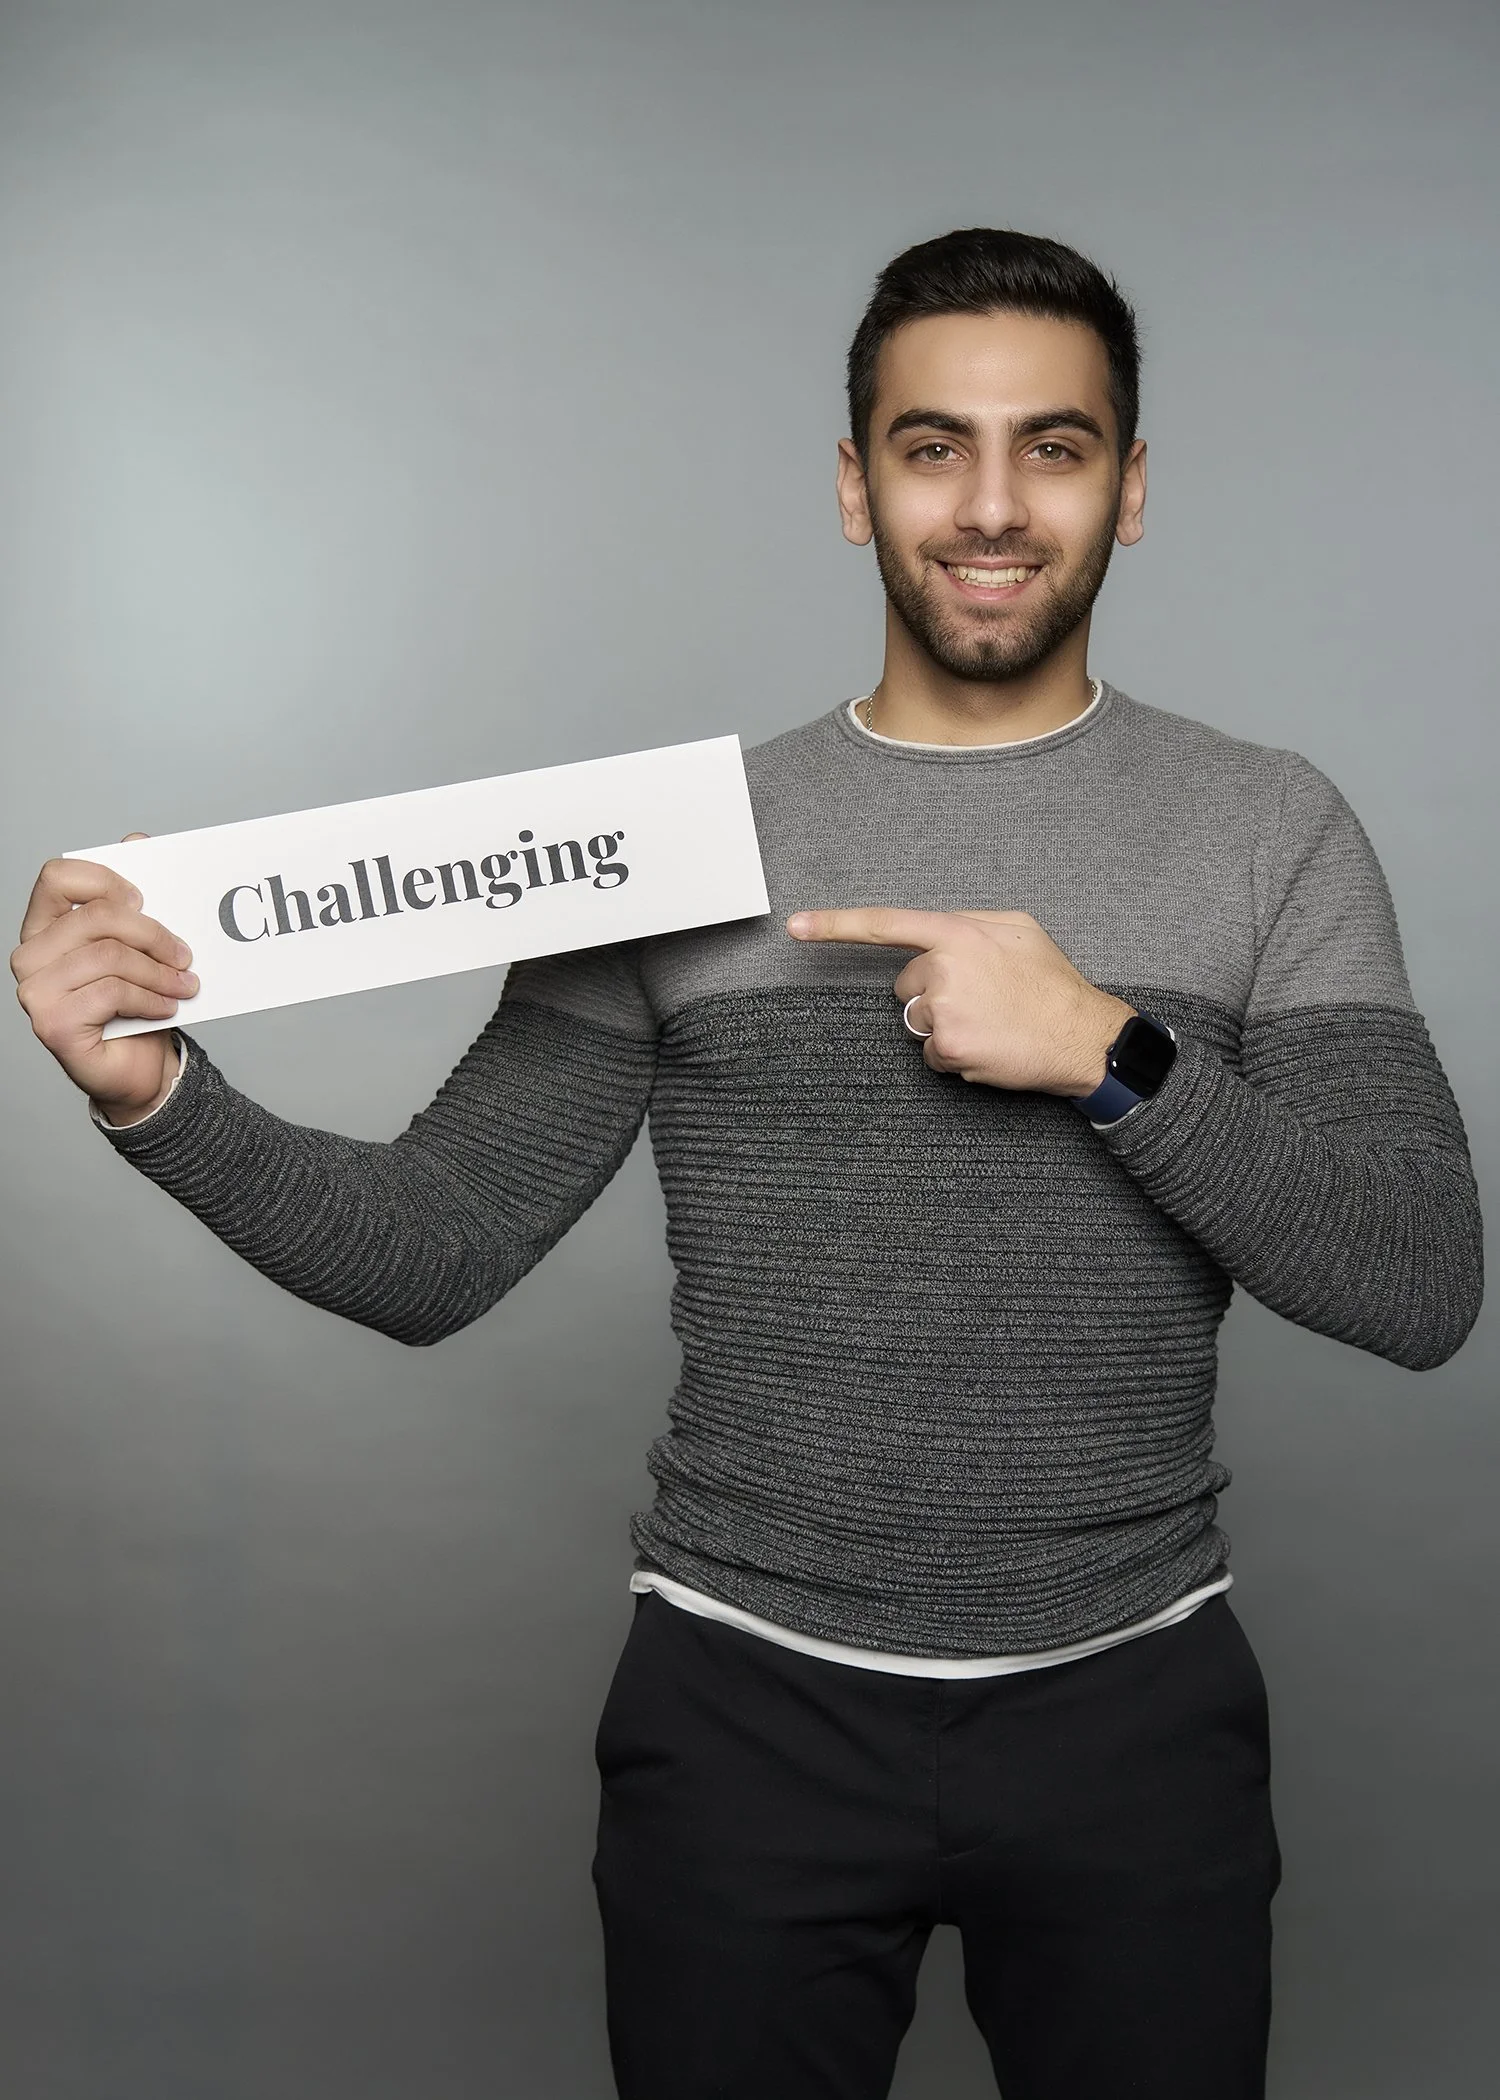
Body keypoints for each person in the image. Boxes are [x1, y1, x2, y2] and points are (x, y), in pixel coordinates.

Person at [11, 228, 1483, 2100]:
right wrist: (157, 1096)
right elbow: (431, 1249)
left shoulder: (1274, 830)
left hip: (1139, 1711)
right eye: (934, 446)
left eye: (1055, 445)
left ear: (1133, 488)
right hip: (744, 1713)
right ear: (854, 487)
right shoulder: (673, 843)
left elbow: (1426, 1280)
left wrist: (1112, 1055)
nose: (994, 503)